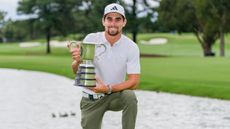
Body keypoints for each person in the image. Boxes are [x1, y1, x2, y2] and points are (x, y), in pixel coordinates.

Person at [70, 3, 140, 129]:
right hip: (91, 98)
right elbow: (76, 71)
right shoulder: (91, 39)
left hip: (115, 96)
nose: (113, 23)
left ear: (124, 22)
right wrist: (78, 61)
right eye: (109, 19)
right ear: (103, 21)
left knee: (130, 96)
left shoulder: (131, 47)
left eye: (118, 19)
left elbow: (134, 82)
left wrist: (107, 88)